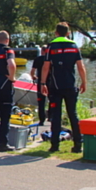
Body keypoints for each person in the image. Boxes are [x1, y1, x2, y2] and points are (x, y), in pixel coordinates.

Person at [40, 22, 87, 153]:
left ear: (56, 33)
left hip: (55, 86)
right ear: (68, 33)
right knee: (73, 114)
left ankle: (54, 145)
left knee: (56, 115)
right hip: (70, 86)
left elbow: (46, 67)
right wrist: (84, 82)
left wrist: (43, 84)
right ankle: (78, 144)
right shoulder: (74, 46)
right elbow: (80, 66)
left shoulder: (51, 46)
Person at [30, 46, 49, 126]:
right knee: (53, 100)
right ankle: (51, 117)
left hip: (41, 82)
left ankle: (41, 120)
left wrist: (34, 77)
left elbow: (32, 72)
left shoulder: (37, 59)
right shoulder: (51, 59)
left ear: (42, 51)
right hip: (51, 82)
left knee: (41, 102)